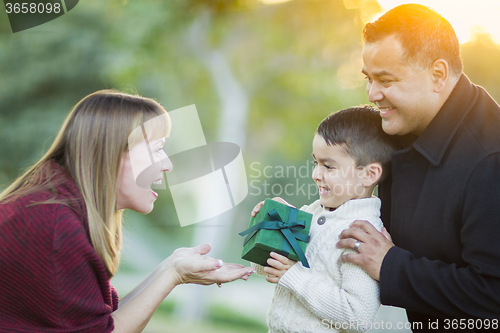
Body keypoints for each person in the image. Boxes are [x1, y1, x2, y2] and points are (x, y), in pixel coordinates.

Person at [0, 90, 255, 332]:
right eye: (157, 149)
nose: (167, 163)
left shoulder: (61, 206)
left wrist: (170, 267)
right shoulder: (57, 226)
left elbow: (102, 319)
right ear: (112, 153)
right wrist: (174, 274)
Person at [336, 4, 500, 331]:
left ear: (437, 75)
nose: (372, 94)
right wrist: (300, 222)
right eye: (369, 79)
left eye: (386, 80)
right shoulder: (402, 127)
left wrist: (389, 265)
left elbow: (493, 295)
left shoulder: (490, 159)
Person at [250, 106, 398, 332]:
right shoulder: (312, 212)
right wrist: (270, 229)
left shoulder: (363, 236)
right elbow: (267, 270)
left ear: (368, 175)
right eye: (315, 163)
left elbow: (357, 317)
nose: (316, 174)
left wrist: (294, 275)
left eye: (328, 166)